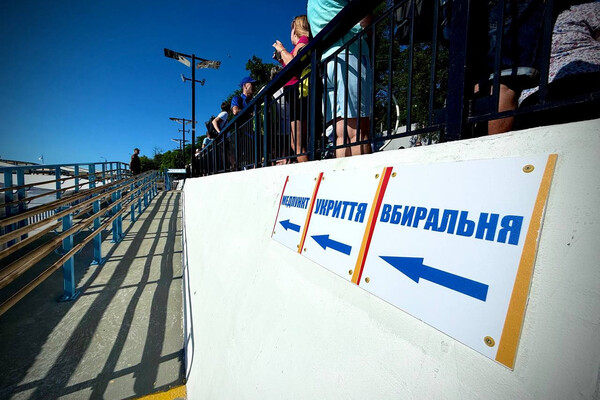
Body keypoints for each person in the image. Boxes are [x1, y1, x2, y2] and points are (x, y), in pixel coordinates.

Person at [307, 0, 373, 158]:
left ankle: (344, 173)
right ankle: (362, 174)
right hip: (350, 52)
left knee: (341, 136)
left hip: (328, 61)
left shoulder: (311, 3)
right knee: (358, 132)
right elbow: (365, 16)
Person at [273, 15, 311, 162]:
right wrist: (281, 58)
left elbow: (293, 64)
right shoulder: (300, 45)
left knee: (298, 144)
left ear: (296, 28)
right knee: (296, 143)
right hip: (296, 94)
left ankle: (308, 173)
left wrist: (282, 49)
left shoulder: (304, 41)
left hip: (299, 94)